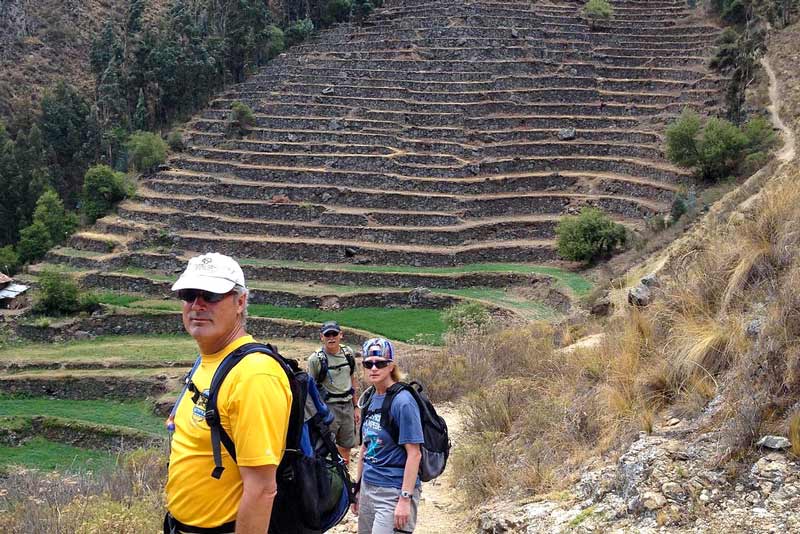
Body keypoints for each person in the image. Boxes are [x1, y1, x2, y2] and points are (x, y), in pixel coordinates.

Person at [164, 252, 292, 534]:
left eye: (210, 295)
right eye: (188, 294)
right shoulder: (209, 360)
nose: (197, 304)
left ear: (240, 302)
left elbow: (261, 489)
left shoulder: (254, 374)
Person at [351, 338, 423, 534]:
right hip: (369, 487)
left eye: (380, 363)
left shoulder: (403, 402)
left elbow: (414, 453)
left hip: (393, 491)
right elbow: (365, 448)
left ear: (391, 366)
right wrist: (357, 490)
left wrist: (405, 499)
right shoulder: (370, 398)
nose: (374, 368)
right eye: (368, 364)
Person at [307, 321, 359, 464]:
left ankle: (344, 478)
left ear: (340, 335)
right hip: (328, 409)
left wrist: (356, 407)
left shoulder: (348, 354)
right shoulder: (315, 360)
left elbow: (352, 379)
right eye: (327, 334)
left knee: (346, 446)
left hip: (347, 406)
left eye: (334, 334)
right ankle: (329, 480)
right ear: (321, 337)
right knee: (326, 447)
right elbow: (310, 388)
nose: (331, 337)